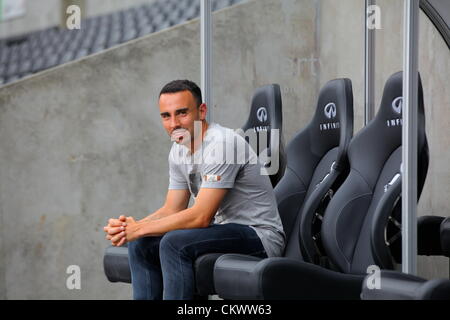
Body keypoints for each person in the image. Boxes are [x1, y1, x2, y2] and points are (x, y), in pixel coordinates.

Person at [103, 80, 285, 300]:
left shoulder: (222, 144)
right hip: (222, 231)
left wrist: (139, 228)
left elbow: (201, 217)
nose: (174, 124)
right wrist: (130, 230)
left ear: (202, 111)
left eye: (182, 113)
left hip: (259, 236)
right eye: (166, 116)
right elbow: (172, 209)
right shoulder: (178, 150)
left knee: (174, 243)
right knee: (141, 244)